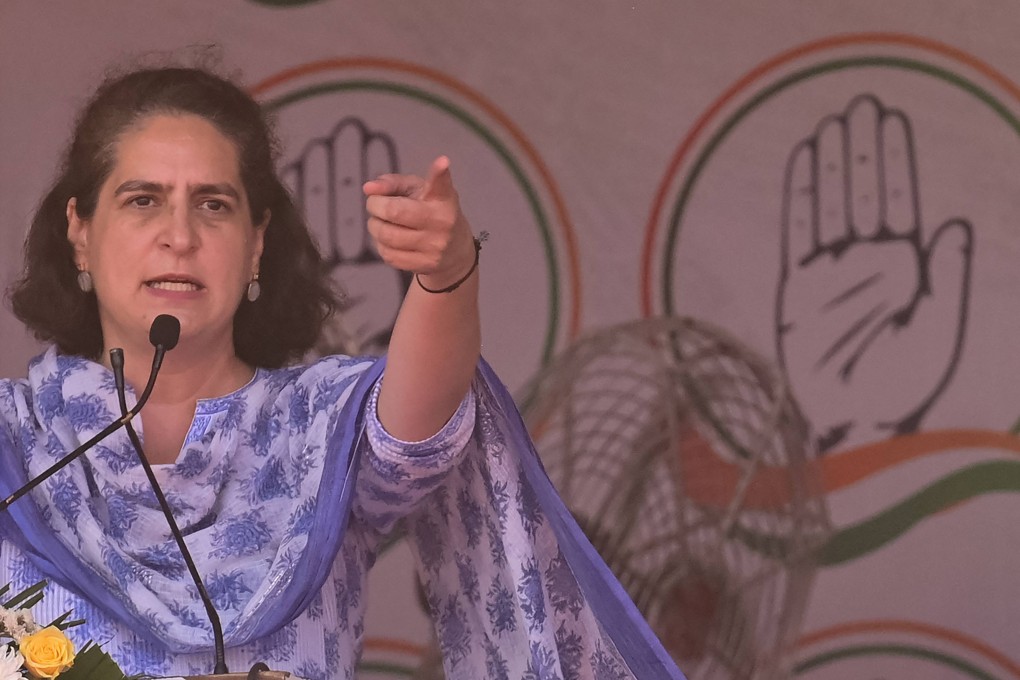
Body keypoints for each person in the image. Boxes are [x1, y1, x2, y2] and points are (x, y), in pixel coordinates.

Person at [0, 65, 684, 679]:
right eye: (142, 200)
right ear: (80, 231)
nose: (180, 235)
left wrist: (445, 274)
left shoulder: (318, 428)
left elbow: (420, 428)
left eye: (214, 204)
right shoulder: (12, 444)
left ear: (258, 242)